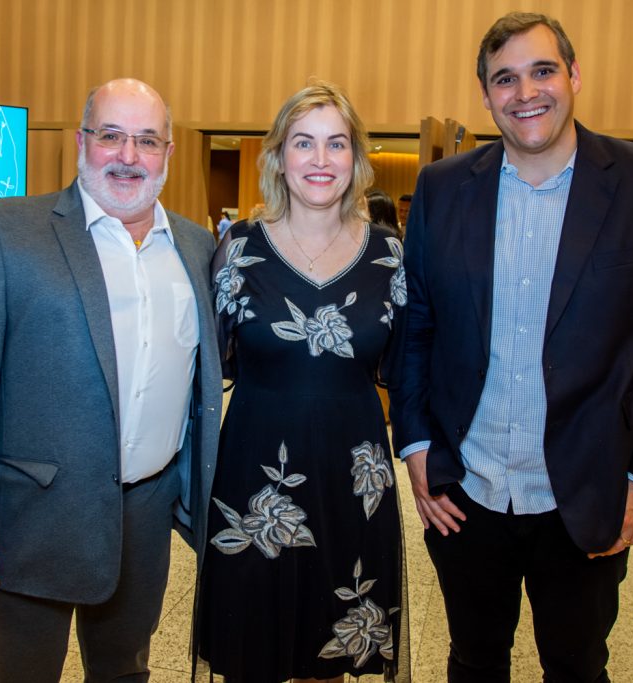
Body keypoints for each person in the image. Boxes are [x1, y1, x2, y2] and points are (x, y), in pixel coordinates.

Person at [389, 12, 633, 682]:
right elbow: (418, 325)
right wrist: (416, 447)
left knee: (576, 665)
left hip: (589, 492)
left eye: (542, 71)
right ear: (485, 94)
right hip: (467, 491)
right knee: (474, 660)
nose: (525, 92)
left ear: (574, 75)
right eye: (505, 78)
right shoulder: (444, 188)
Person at [0, 78, 221, 682]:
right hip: (29, 522)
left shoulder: (196, 246)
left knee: (125, 671)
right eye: (111, 135)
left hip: (146, 514)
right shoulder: (4, 231)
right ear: (82, 142)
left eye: (147, 140)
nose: (128, 156)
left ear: (167, 153)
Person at [196, 81, 409, 683]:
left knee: (328, 650)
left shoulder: (390, 254)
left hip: (354, 477)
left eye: (336, 143)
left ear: (356, 158)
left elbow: (408, 369)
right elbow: (207, 367)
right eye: (303, 142)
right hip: (254, 475)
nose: (320, 159)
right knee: (251, 649)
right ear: (278, 156)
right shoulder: (239, 247)